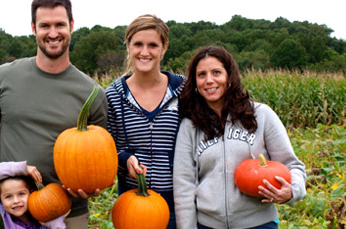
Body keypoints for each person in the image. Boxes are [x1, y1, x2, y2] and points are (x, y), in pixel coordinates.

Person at [0, 0, 107, 227]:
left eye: (60, 24)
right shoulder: (3, 78)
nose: (53, 33)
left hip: (68, 212)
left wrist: (91, 186)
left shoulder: (91, 93)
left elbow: (99, 156)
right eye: (44, 25)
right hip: (14, 213)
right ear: (33, 28)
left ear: (71, 25)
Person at [173, 46, 307, 229]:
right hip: (207, 224)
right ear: (195, 82)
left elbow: (293, 165)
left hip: (259, 223)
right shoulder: (190, 125)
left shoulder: (261, 115)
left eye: (216, 72)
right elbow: (184, 186)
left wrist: (292, 191)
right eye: (201, 75)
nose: (209, 80)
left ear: (229, 76)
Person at [105, 14, 186, 229]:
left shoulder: (184, 91)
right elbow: (107, 147)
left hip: (179, 202)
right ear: (128, 46)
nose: (145, 52)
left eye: (152, 45)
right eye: (138, 44)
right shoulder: (113, 95)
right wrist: (126, 159)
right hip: (134, 203)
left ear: (164, 47)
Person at [0, 161, 68, 228]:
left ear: (31, 193)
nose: (16, 201)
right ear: (0, 199)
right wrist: (22, 168)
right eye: (8, 196)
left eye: (21, 194)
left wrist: (56, 223)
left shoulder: (42, 221)